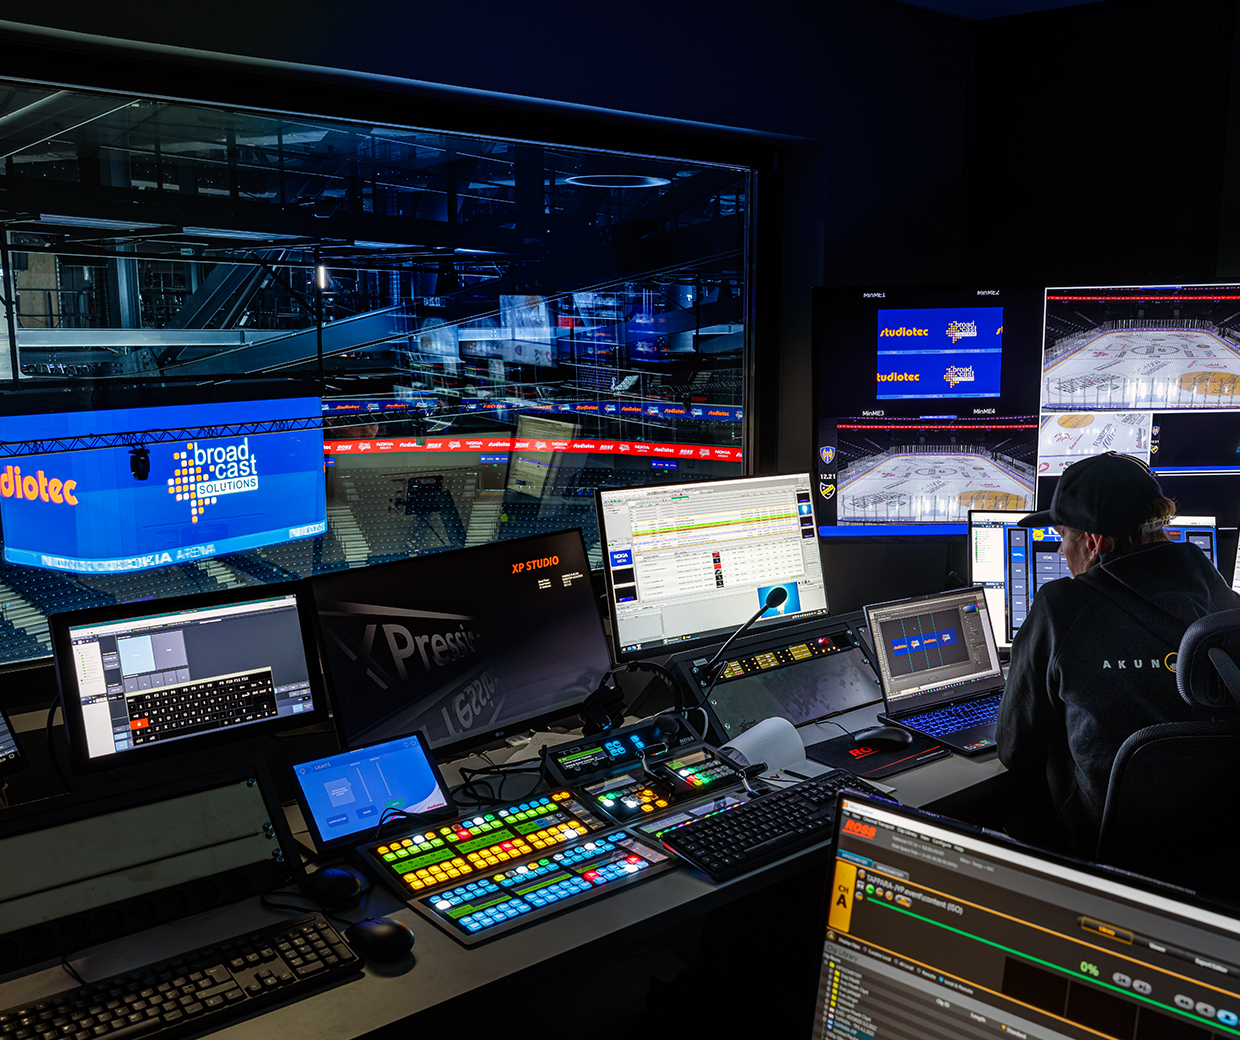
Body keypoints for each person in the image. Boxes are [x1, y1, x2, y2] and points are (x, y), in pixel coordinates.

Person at [997, 451, 1239, 855]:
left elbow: (1014, 748)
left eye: (1063, 537)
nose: (1060, 552)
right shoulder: (1219, 595)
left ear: (1092, 543)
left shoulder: (1061, 607)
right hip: (1220, 853)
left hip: (1107, 856)